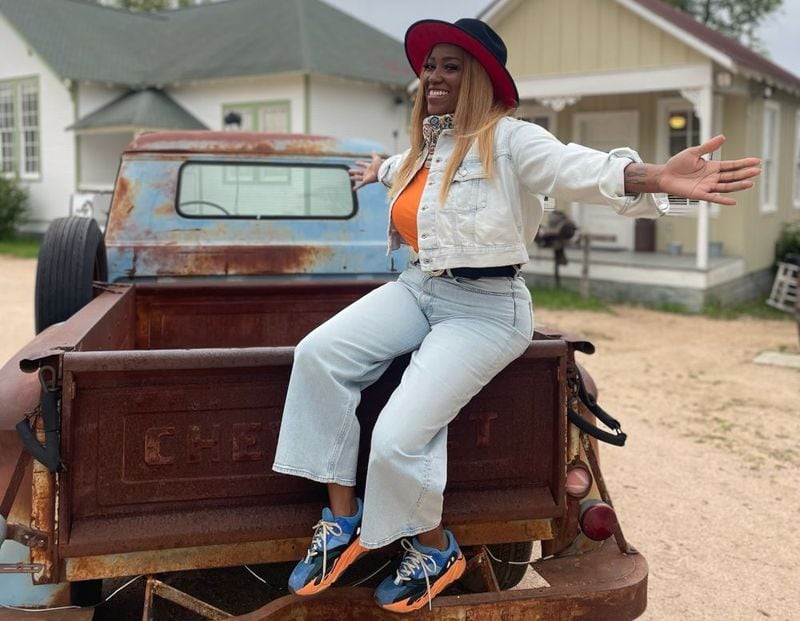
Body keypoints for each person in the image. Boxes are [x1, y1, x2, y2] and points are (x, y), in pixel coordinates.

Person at [272, 18, 760, 613]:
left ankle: (434, 551)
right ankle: (342, 523)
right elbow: (402, 167)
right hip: (419, 287)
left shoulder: (511, 140)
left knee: (398, 437)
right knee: (317, 355)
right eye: (430, 67)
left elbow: (578, 168)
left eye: (451, 66)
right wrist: (376, 169)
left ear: (481, 78)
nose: (435, 77)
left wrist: (656, 175)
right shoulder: (428, 146)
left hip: (485, 309)